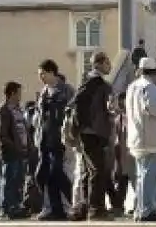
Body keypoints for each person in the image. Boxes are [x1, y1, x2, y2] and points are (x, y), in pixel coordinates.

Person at [69, 51, 113, 221]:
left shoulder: (93, 81)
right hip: (92, 133)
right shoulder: (94, 82)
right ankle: (96, 209)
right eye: (107, 62)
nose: (109, 66)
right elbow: (78, 103)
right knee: (97, 170)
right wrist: (85, 125)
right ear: (99, 63)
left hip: (92, 132)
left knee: (89, 171)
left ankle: (86, 207)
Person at [125, 57, 156, 222]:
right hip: (149, 138)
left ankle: (140, 208)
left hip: (136, 136)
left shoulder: (132, 87)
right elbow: (153, 108)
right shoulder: (149, 87)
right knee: (150, 176)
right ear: (154, 73)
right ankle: (147, 209)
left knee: (141, 175)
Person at [34, 59, 75, 221]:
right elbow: (40, 118)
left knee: (56, 172)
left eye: (42, 74)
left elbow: (73, 114)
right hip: (44, 141)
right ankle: (55, 209)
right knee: (42, 176)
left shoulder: (66, 90)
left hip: (60, 140)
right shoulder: (44, 92)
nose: (41, 77)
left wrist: (70, 137)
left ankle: (75, 203)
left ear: (51, 72)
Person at [0, 81, 30, 219]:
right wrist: (12, 146)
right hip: (10, 151)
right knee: (8, 179)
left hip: (21, 150)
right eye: (19, 92)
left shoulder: (18, 109)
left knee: (18, 180)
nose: (20, 95)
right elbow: (2, 134)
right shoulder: (3, 110)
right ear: (12, 93)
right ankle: (6, 208)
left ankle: (16, 206)